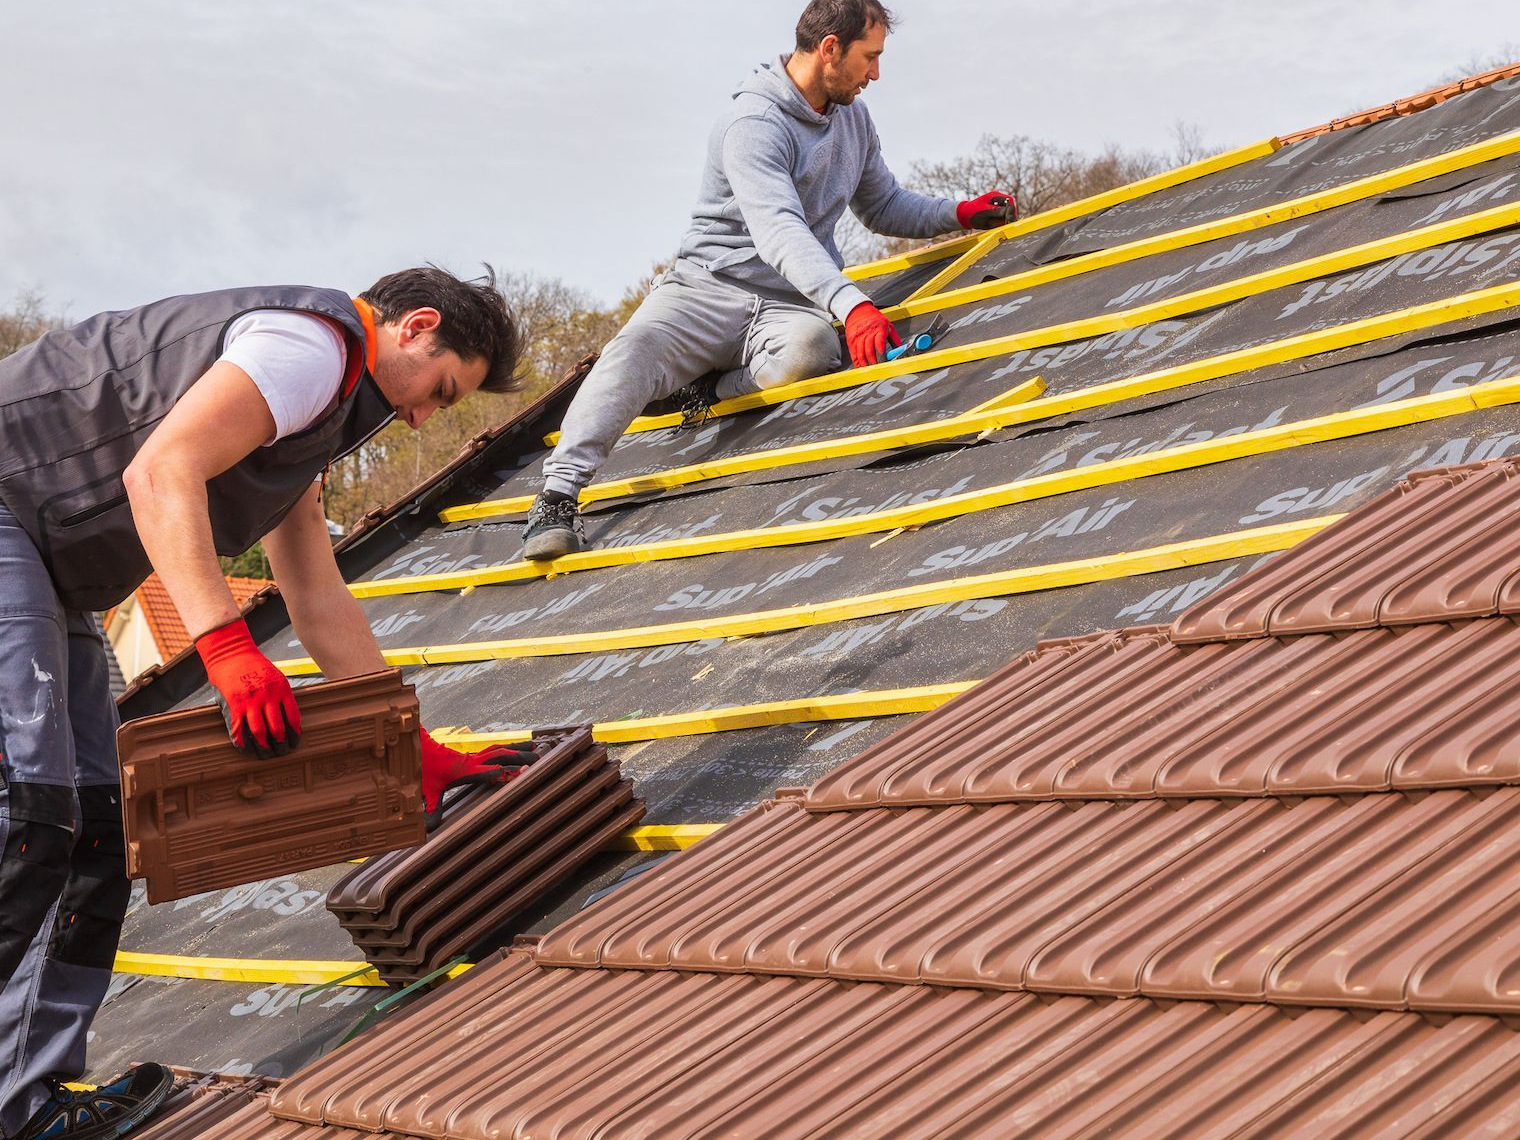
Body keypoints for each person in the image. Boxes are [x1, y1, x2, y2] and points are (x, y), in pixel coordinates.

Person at [0, 267, 530, 1139]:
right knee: (28, 813)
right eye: (440, 389)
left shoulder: (314, 422)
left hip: (54, 574)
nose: (423, 418)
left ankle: (20, 1106)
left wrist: (404, 744)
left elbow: (316, 595)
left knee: (96, 825)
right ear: (414, 326)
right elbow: (160, 472)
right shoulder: (306, 347)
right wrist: (225, 647)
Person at [521, 0, 1016, 560]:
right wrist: (853, 305)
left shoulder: (853, 119)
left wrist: (958, 213)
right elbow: (779, 229)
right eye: (870, 57)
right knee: (632, 351)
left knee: (813, 348)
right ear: (830, 49)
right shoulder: (754, 123)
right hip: (707, 289)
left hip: (785, 305)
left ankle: (702, 390)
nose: (876, 74)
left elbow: (882, 205)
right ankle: (557, 496)